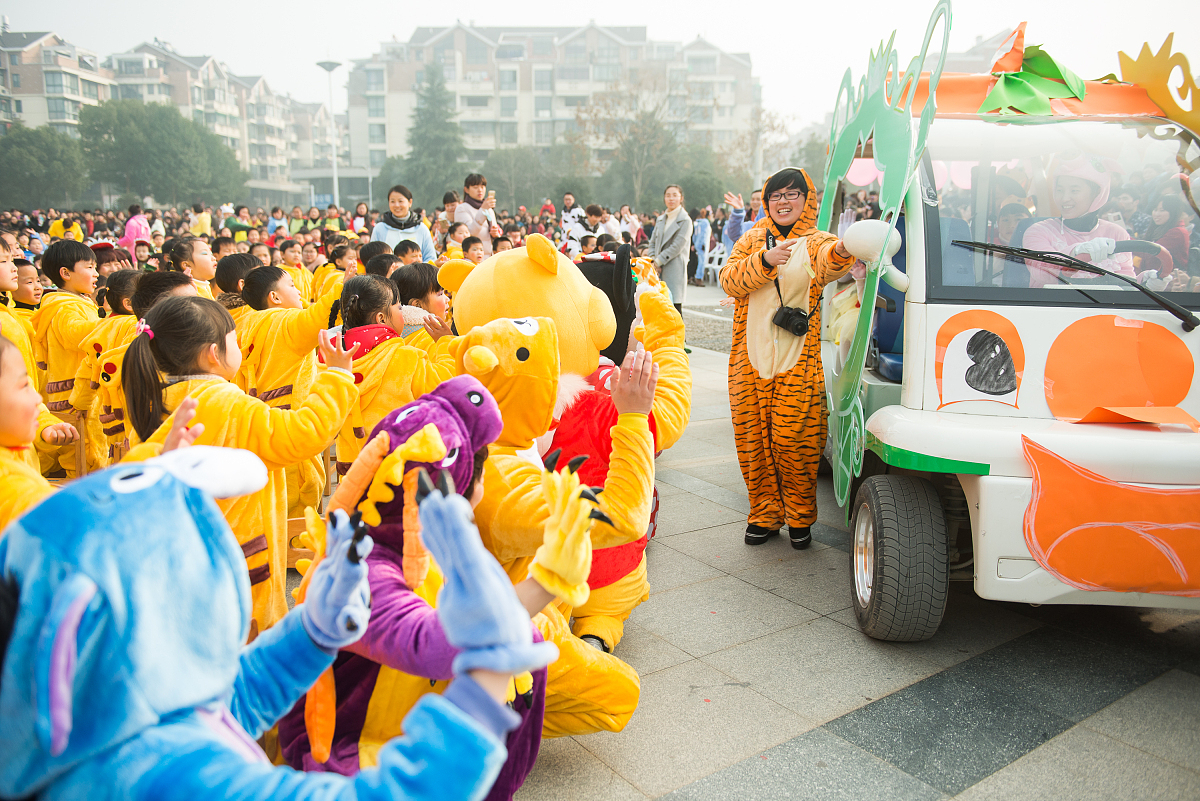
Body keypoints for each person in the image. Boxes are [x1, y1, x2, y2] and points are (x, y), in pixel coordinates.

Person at [278, 376, 587, 801]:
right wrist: (546, 581)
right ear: (460, 486)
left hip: (405, 725)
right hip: (360, 758)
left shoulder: (409, 543)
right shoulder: (365, 570)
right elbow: (445, 643)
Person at [122, 295, 358, 632]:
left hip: (184, 560)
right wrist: (336, 378)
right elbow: (301, 435)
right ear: (213, 354)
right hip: (241, 565)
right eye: (234, 340)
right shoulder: (225, 402)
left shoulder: (156, 398)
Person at [721, 167, 856, 549]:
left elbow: (832, 259)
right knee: (752, 441)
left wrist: (844, 249)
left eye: (792, 194)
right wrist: (765, 260)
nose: (783, 201)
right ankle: (764, 514)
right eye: (776, 195)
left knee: (795, 442)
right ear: (767, 202)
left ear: (807, 200)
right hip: (749, 361)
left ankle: (799, 516)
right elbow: (729, 280)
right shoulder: (751, 240)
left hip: (797, 362)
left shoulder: (816, 241)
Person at [326, 275, 455, 470]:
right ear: (382, 318)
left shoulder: (334, 360)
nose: (403, 312)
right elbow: (445, 384)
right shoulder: (404, 357)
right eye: (399, 307)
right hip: (398, 468)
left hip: (353, 468)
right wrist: (446, 343)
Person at [31, 240, 101, 477]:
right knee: (81, 459)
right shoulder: (62, 307)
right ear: (66, 273)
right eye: (90, 267)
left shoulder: (78, 301)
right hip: (73, 398)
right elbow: (75, 335)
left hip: (82, 396)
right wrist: (112, 323)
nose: (96, 273)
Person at [1024, 155, 1133, 288]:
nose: (1064, 198)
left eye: (1074, 190)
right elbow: (1042, 272)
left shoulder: (1117, 233)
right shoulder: (1038, 231)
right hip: (1052, 306)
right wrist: (1075, 252)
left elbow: (1126, 283)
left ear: (1097, 193)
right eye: (1059, 190)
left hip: (1104, 308)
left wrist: (1146, 282)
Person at [646, 185, 693, 310]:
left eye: (675, 195)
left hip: (674, 267)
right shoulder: (661, 219)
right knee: (658, 307)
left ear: (681, 198)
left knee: (674, 308)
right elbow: (652, 242)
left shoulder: (685, 220)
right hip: (656, 268)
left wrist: (658, 261)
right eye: (668, 195)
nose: (671, 198)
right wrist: (652, 259)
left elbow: (677, 246)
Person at [372, 185, 438, 262]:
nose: (396, 205)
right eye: (392, 201)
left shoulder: (421, 228)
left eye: (400, 201)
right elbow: (373, 259)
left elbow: (430, 258)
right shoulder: (380, 228)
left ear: (410, 202)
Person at [1139, 195, 1191, 279]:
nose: (1156, 214)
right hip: (1151, 278)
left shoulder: (1177, 232)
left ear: (1173, 212)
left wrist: (1126, 239)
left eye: (1162, 210)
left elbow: (1150, 251)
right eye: (1155, 210)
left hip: (1168, 282)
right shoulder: (1158, 228)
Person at [455, 174, 503, 258]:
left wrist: (495, 235)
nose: (480, 190)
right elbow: (469, 233)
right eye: (475, 187)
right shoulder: (462, 208)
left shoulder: (489, 210)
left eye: (482, 186)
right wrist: (483, 210)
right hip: (473, 259)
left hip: (489, 257)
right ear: (466, 189)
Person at [689, 207, 711, 286]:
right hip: (702, 245)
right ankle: (699, 278)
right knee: (702, 262)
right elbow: (703, 235)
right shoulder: (705, 223)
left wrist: (695, 244)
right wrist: (703, 244)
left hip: (697, 244)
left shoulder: (697, 223)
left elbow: (694, 235)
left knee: (698, 262)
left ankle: (697, 277)